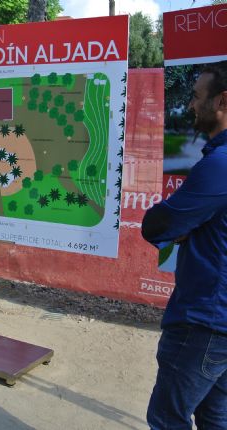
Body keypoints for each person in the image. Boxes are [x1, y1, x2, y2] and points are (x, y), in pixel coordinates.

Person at [142, 61, 227, 429]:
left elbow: (160, 223)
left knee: (167, 417)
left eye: (196, 97)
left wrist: (182, 224)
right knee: (215, 418)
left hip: (205, 320)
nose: (190, 106)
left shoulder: (220, 165)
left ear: (222, 101)